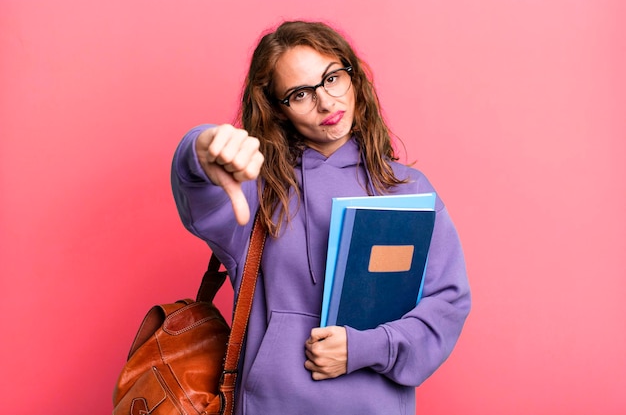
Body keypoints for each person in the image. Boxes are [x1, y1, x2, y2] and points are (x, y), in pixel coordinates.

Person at [171, 20, 471, 415]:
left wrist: (369, 347)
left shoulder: (410, 190)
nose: (327, 103)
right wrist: (199, 148)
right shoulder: (256, 189)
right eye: (299, 94)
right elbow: (199, 187)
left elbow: (447, 303)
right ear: (277, 110)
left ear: (354, 76)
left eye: (332, 78)